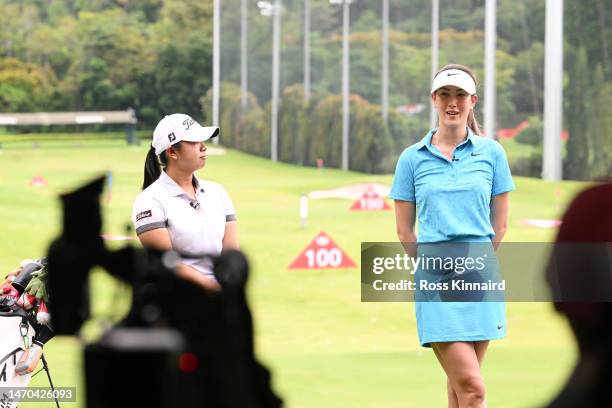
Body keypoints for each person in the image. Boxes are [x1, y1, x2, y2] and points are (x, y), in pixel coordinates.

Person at [390, 64, 515, 407]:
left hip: (480, 279)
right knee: (474, 388)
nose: (452, 102)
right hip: (436, 281)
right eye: (445, 94)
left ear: (472, 101)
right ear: (434, 99)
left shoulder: (492, 154)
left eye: (460, 95)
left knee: (459, 391)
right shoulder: (412, 159)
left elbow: (500, 225)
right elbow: (404, 230)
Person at [132, 113, 239, 292]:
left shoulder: (218, 192)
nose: (204, 147)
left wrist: (229, 287)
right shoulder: (150, 201)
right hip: (180, 302)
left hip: (220, 299)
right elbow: (168, 263)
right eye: (194, 141)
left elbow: (231, 254)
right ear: (172, 152)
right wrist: (212, 288)